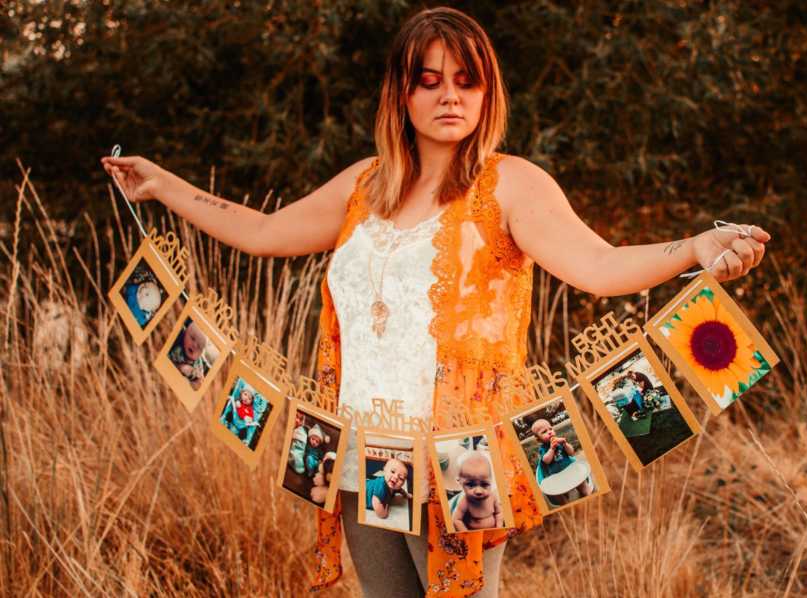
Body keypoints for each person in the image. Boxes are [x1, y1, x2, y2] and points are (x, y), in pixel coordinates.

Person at [100, 6, 770, 596]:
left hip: (461, 461)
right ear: (403, 93)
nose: (450, 95)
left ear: (487, 91)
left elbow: (598, 266)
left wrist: (693, 248)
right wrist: (163, 186)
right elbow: (265, 232)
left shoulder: (509, 184)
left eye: (466, 79)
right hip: (361, 453)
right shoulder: (366, 186)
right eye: (430, 79)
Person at [530, 418, 592, 502]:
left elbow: (571, 453)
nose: (549, 432)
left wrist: (565, 444)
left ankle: (587, 493)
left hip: (570, 470)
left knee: (583, 485)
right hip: (557, 477)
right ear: (538, 439)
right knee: (558, 495)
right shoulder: (543, 448)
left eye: (550, 428)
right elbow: (546, 460)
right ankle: (564, 501)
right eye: (544, 432)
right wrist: (551, 449)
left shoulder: (560, 442)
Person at [452, 451, 503, 532]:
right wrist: (466, 533)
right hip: (474, 536)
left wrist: (499, 526)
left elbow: (499, 513)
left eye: (484, 484)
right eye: (471, 485)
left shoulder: (493, 497)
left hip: (493, 532)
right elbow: (456, 520)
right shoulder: (465, 502)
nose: (478, 491)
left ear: (491, 481)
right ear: (459, 482)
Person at [167, 318, 208, 390]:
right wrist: (180, 367)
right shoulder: (178, 343)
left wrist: (194, 377)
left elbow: (199, 382)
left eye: (199, 347)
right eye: (192, 338)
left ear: (201, 353)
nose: (194, 345)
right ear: (185, 333)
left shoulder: (198, 364)